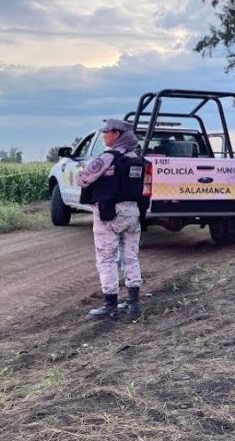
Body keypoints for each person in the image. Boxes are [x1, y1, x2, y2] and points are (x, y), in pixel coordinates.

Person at [77, 119, 144, 319]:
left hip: (109, 213)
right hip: (132, 212)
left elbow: (83, 179)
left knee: (106, 258)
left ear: (117, 134)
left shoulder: (108, 157)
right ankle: (132, 302)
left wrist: (82, 171)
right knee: (131, 257)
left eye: (106, 132)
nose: (104, 136)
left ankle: (110, 305)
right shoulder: (136, 158)